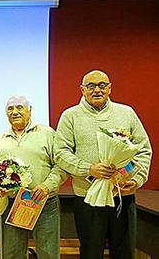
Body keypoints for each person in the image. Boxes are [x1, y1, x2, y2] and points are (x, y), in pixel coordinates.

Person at [54, 70, 152, 259]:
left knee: (124, 251)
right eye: (91, 86)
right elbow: (60, 153)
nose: (96, 90)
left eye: (102, 85)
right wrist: (88, 169)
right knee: (91, 252)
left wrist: (137, 179)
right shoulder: (70, 116)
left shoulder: (127, 113)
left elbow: (144, 149)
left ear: (109, 89)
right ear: (82, 90)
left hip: (122, 196)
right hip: (87, 197)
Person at [0, 96, 67, 259]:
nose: (15, 112)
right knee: (12, 254)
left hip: (44, 202)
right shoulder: (1, 139)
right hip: (12, 204)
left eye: (19, 107)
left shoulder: (47, 133)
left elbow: (61, 165)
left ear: (29, 110)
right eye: (10, 109)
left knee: (48, 253)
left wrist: (47, 186)